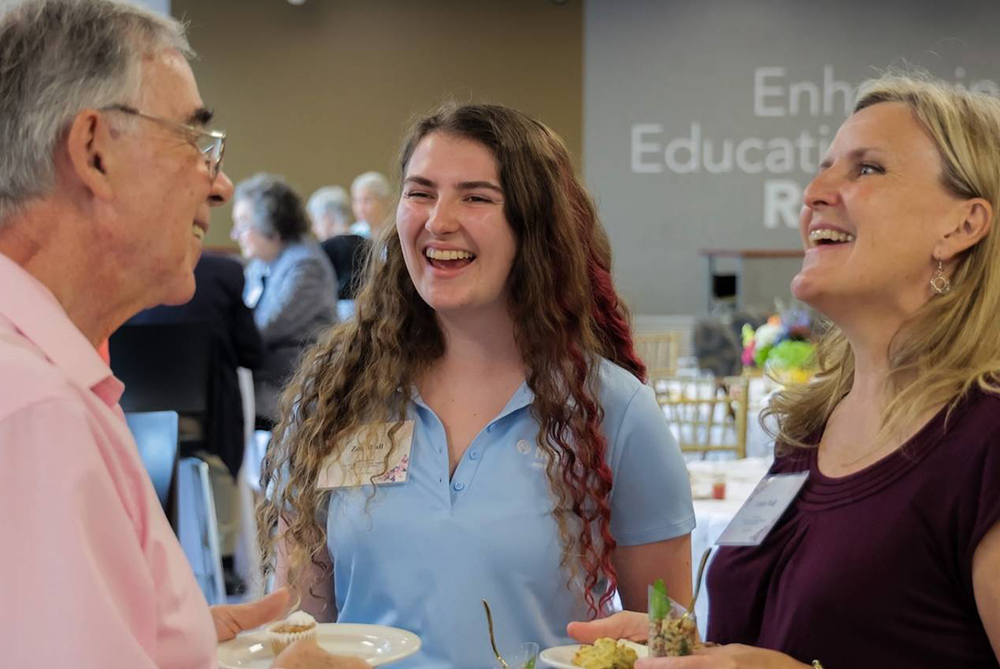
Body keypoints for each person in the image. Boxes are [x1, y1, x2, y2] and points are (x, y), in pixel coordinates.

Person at [569, 74, 1000, 668]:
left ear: (962, 225)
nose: (814, 192)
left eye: (867, 168)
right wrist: (696, 652)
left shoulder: (986, 440)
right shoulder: (810, 433)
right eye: (823, 170)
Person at [256, 103, 696, 668]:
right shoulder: (338, 395)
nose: (439, 220)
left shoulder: (612, 410)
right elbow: (298, 629)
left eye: (476, 198)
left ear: (534, 227)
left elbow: (667, 644)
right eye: (420, 193)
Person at [0, 1, 348, 666]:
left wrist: (170, 634)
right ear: (95, 151)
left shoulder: (46, 381)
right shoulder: (34, 410)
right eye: (193, 141)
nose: (220, 186)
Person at [231, 173, 338, 429]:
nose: (235, 234)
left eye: (243, 224)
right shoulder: (261, 265)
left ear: (270, 225)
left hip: (293, 395)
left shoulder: (305, 266)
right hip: (263, 387)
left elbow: (261, 329)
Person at [307, 185, 370, 300]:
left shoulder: (322, 250)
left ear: (328, 218)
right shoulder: (369, 245)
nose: (313, 229)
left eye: (315, 221)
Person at [348, 170, 391, 238]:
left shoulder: (395, 231)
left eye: (367, 200)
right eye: (356, 201)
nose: (360, 208)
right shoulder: (352, 233)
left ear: (385, 200)